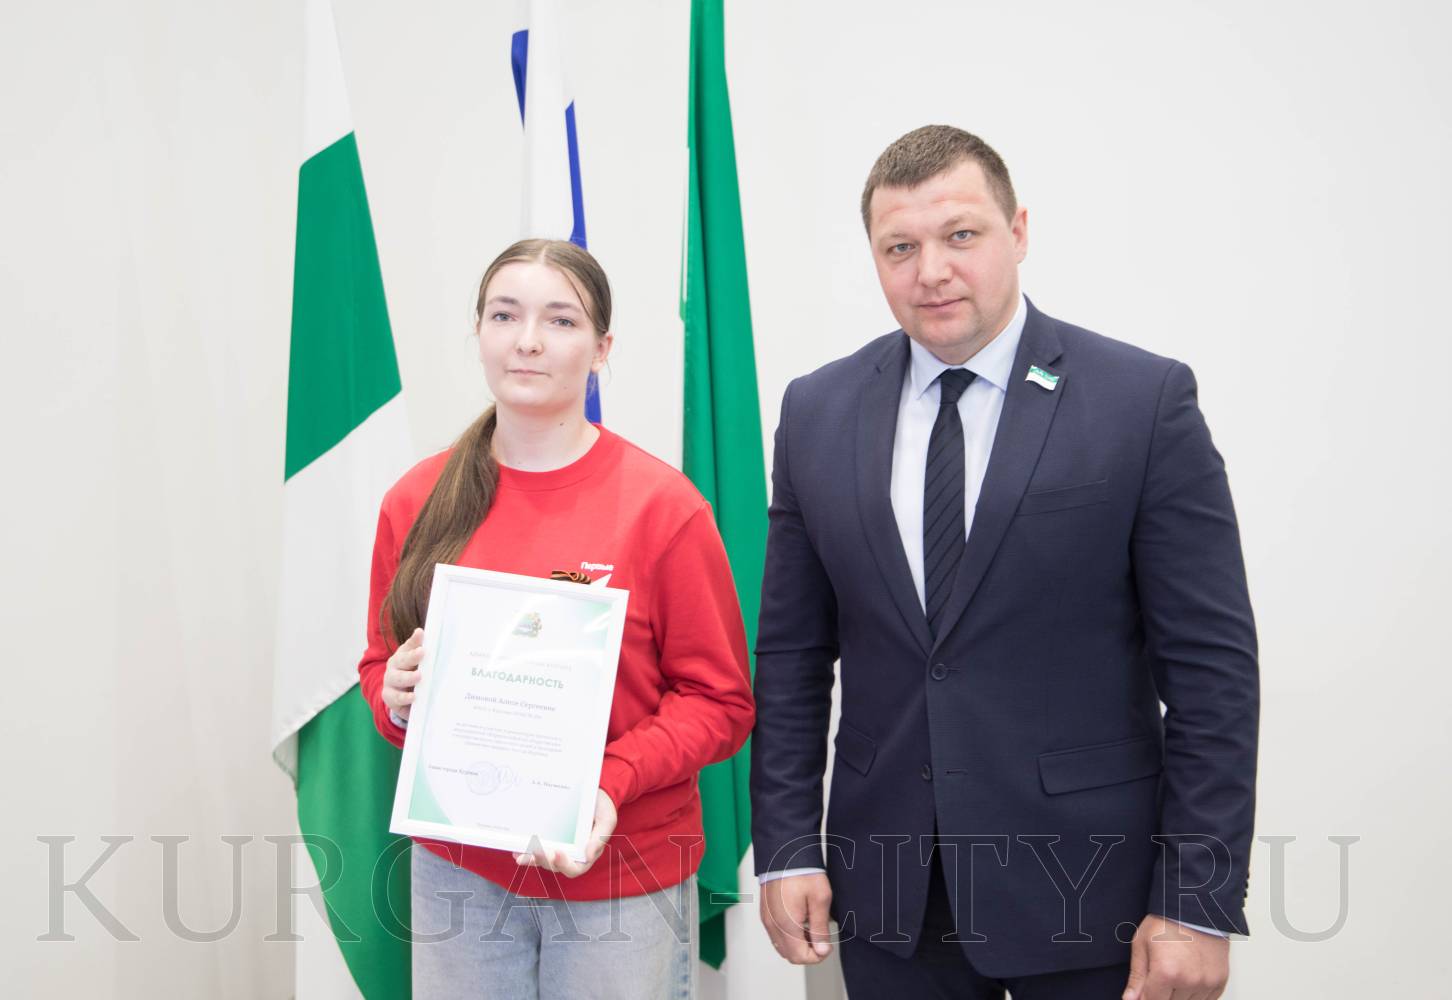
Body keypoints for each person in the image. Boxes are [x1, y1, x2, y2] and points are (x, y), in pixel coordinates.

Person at [750, 126, 1259, 999]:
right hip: (891, 898)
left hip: (1093, 893)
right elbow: (792, 657)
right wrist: (788, 848)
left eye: (961, 235)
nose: (932, 271)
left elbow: (1213, 675)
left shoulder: (1141, 402)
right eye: (900, 248)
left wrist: (1196, 901)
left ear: (1017, 232)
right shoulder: (816, 412)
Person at [358, 238, 755, 998]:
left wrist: (605, 782)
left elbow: (721, 702)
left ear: (602, 349)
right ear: (479, 333)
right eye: (505, 315)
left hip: (622, 874)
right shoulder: (415, 500)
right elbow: (379, 668)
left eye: (561, 320)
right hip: (460, 872)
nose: (528, 340)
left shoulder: (663, 508)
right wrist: (397, 697)